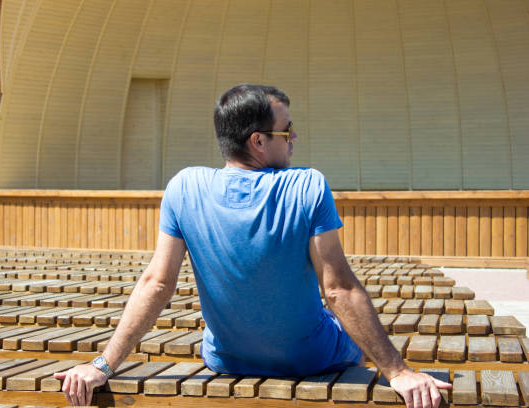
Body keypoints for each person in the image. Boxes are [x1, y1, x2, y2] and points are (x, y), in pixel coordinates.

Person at [55, 84, 451, 408]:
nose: (294, 137)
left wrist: (103, 365)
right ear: (258, 141)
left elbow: (156, 284)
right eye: (287, 129)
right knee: (354, 335)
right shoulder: (307, 185)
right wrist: (398, 372)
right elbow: (337, 289)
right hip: (309, 360)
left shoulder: (183, 187)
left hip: (227, 361)